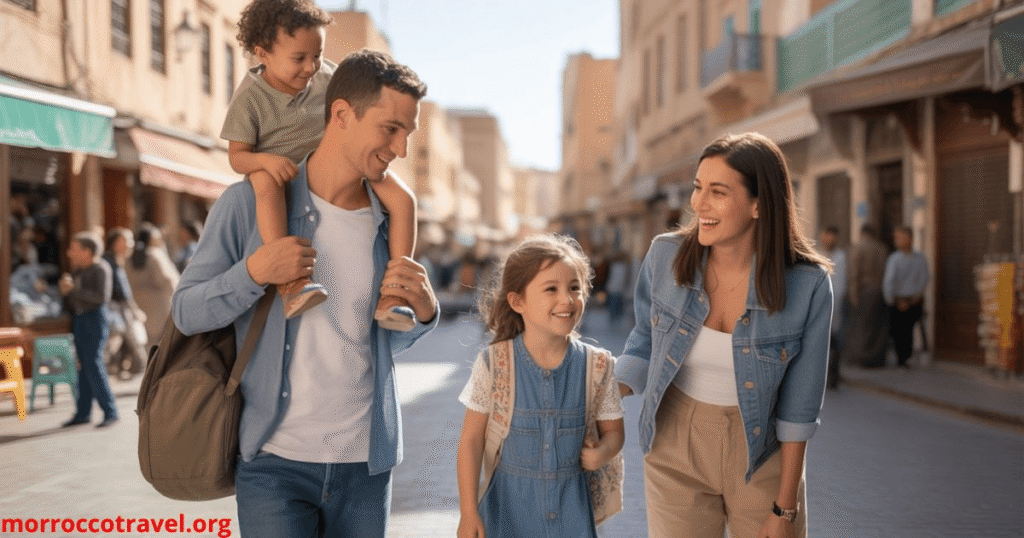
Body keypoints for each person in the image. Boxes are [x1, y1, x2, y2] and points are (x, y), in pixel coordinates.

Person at [172, 49, 438, 538]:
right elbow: (187, 312)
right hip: (275, 463)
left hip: (366, 466)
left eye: (408, 133)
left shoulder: (388, 225)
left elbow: (376, 341)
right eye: (389, 129)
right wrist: (254, 272)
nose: (400, 149)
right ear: (341, 114)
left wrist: (423, 314)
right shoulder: (247, 205)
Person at [614, 133, 833, 538]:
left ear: (758, 204)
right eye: (698, 188)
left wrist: (785, 507)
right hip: (674, 443)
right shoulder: (665, 256)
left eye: (718, 192)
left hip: (763, 452)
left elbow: (800, 406)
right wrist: (604, 393)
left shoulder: (808, 285)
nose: (698, 204)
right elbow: (644, 341)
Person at [222, 0, 418, 331]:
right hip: (276, 166)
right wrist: (266, 160)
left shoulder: (328, 76)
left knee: (403, 199)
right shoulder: (249, 98)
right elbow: (237, 155)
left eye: (317, 54)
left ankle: (395, 296)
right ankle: (292, 284)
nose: (310, 66)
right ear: (262, 54)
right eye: (299, 58)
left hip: (332, 163)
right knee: (264, 185)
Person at [456, 234, 625, 538]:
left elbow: (614, 432)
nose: (567, 299)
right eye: (552, 289)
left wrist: (603, 452)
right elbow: (471, 441)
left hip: (571, 514)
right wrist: (469, 513)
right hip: (506, 515)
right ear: (517, 301)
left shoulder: (598, 367)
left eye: (575, 288)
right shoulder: (494, 364)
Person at [59, 232, 119, 429]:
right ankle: (83, 412)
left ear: (87, 251)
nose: (70, 253)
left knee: (93, 363)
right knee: (82, 365)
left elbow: (101, 297)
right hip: (80, 319)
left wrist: (73, 291)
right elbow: (71, 301)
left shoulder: (101, 268)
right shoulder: (77, 271)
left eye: (74, 249)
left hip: (95, 319)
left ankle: (110, 411)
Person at [125, 223, 180, 348]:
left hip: (140, 306)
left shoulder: (129, 258)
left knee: (147, 346)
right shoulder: (155, 255)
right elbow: (170, 281)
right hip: (161, 307)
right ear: (150, 238)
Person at [103, 228, 149, 378]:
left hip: (121, 312)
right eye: (127, 241)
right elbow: (120, 293)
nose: (131, 244)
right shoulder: (108, 263)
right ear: (116, 243)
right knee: (114, 345)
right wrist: (134, 310)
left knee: (130, 344)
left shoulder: (117, 261)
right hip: (114, 312)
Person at [883, 226, 929, 368]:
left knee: (909, 329)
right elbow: (889, 282)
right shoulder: (894, 259)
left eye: (901, 237)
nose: (898, 241)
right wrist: (893, 301)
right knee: (899, 332)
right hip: (898, 300)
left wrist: (917, 295)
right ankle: (901, 359)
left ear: (910, 238)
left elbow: (924, 278)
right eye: (897, 238)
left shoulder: (920, 258)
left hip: (914, 300)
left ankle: (908, 356)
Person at [845, 223, 890, 368]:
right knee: (878, 328)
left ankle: (862, 358)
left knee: (862, 327)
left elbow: (854, 274)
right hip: (880, 291)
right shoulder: (883, 248)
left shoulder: (858, 248)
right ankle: (876, 359)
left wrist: (853, 295)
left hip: (864, 292)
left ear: (862, 233)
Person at [818, 226, 847, 388]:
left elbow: (840, 285)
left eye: (832, 237)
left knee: (835, 343)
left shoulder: (840, 257)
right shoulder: (816, 254)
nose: (829, 240)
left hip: (835, 307)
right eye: (826, 236)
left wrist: (834, 305)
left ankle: (833, 377)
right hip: (817, 308)